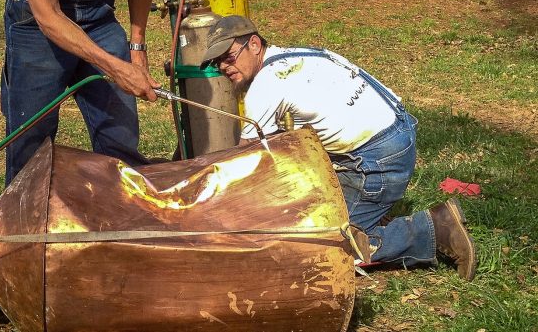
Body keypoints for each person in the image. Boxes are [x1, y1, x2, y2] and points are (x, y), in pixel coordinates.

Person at [199, 15, 478, 281]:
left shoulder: (266, 85)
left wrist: (209, 200)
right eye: (217, 62)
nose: (224, 66)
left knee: (324, 247)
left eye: (229, 56)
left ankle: (431, 231)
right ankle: (367, 207)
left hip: (377, 161)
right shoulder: (298, 54)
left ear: (255, 44)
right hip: (398, 133)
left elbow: (246, 159)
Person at [2, 0, 162, 185]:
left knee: (120, 134)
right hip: (38, 24)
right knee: (31, 142)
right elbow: (48, 15)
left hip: (97, 15)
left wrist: (136, 45)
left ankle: (122, 216)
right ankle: (24, 221)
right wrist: (115, 67)